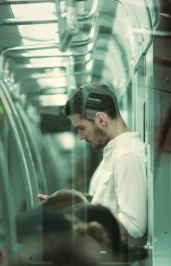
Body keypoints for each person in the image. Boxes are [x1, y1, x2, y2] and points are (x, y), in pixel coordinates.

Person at [62, 83, 148, 243]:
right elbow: (108, 203)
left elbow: (134, 225)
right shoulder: (114, 150)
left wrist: (81, 217)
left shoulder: (127, 154)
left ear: (101, 119)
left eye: (82, 128)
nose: (80, 136)